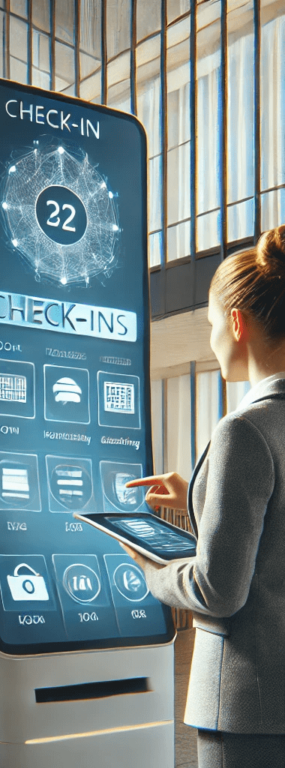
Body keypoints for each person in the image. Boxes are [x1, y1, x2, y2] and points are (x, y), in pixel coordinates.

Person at [123, 225, 285, 767]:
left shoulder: (246, 430)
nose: (211, 337)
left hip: (246, 708)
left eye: (212, 323)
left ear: (237, 323)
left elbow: (219, 591)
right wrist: (197, 495)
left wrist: (150, 566)